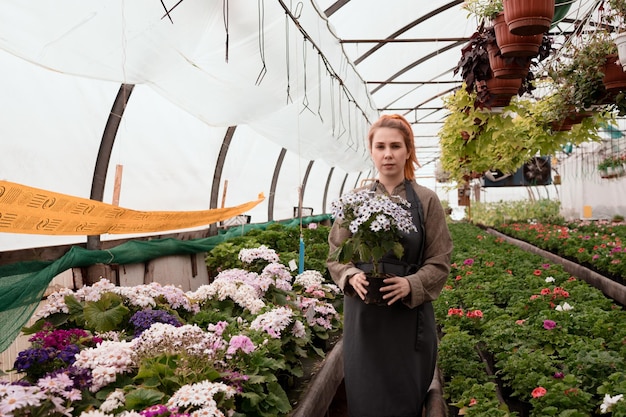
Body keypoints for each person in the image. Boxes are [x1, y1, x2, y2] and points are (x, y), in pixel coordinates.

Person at [327, 114, 453, 417]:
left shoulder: (426, 201)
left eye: (395, 146)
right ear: (371, 151)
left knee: (404, 399)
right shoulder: (355, 201)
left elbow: (440, 260)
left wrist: (412, 284)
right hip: (364, 322)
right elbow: (335, 256)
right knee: (366, 400)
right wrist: (351, 274)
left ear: (407, 150)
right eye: (380, 146)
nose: (388, 154)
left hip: (408, 321)